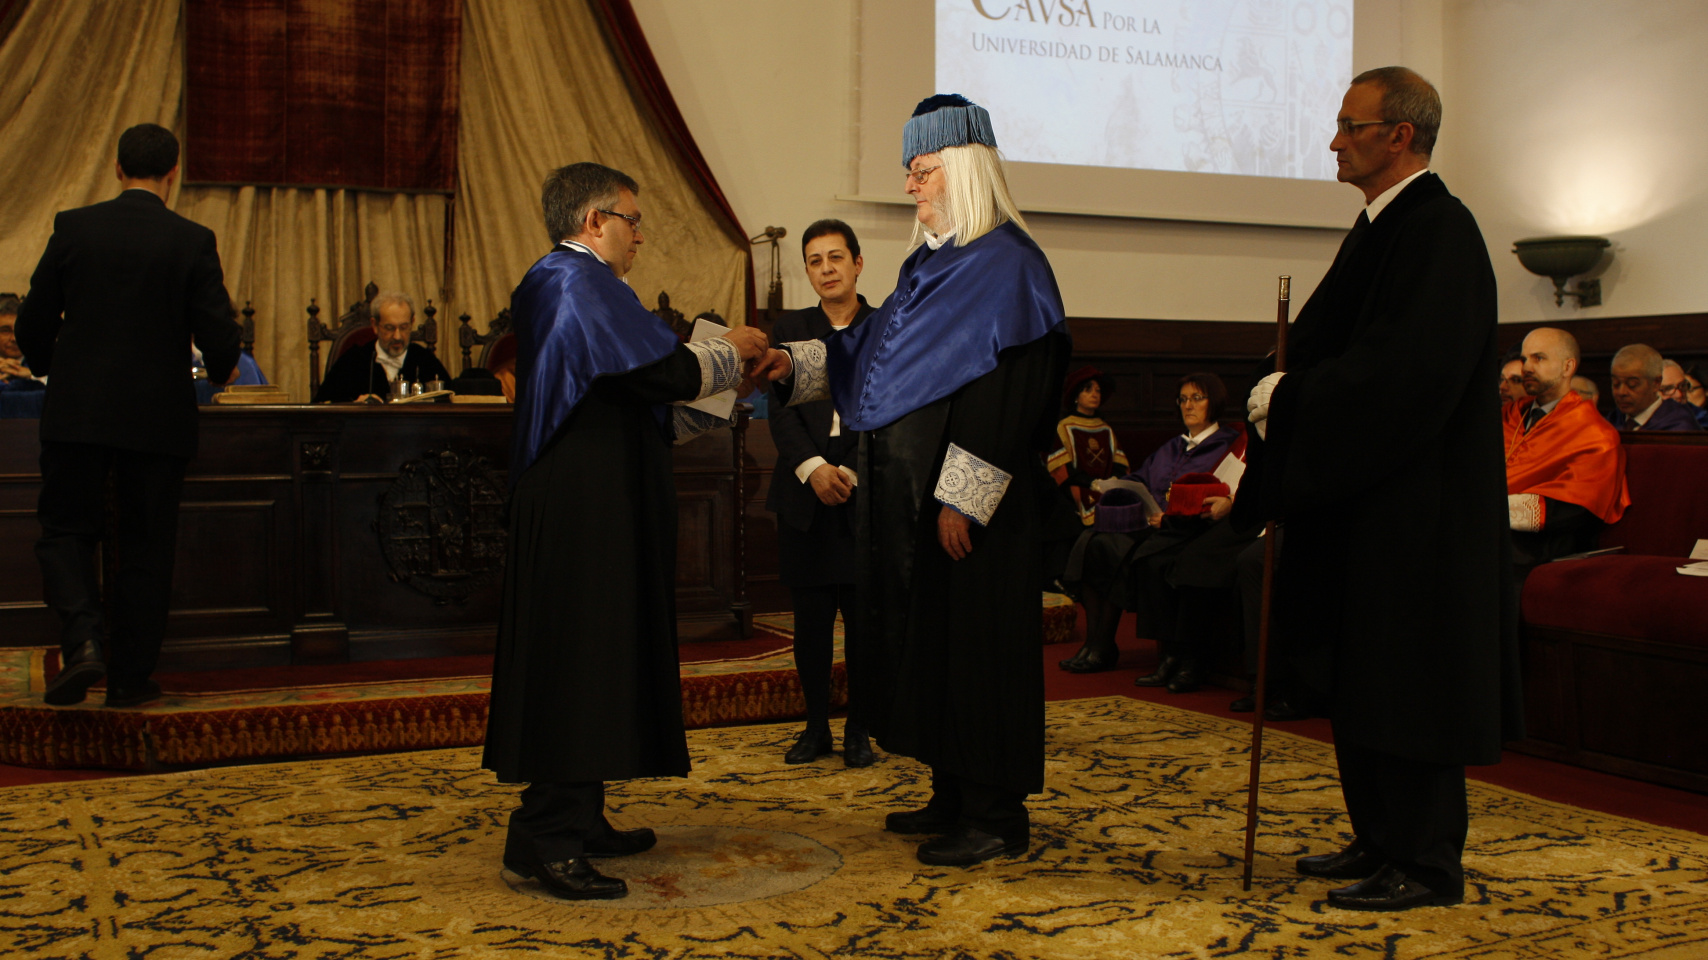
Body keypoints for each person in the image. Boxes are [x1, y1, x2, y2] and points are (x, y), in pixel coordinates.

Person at [756, 94, 1070, 867]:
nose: (910, 188)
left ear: (961, 170)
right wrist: (788, 365)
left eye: (922, 172)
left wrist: (964, 496)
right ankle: (952, 793)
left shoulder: (1009, 266)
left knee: (981, 655)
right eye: (909, 172)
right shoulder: (931, 267)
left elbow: (1009, 401)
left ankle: (996, 815)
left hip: (973, 515)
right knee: (937, 651)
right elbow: (870, 356)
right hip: (914, 509)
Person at [1243, 67, 1520, 912]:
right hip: (1367, 510)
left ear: (1399, 135)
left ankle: (1426, 861)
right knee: (1365, 679)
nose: (1333, 141)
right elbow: (1335, 347)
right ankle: (1379, 837)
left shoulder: (1440, 231)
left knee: (1412, 687)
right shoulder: (1380, 227)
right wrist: (1279, 379)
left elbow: (1405, 376)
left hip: (1419, 518)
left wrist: (1294, 397)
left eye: (1349, 125)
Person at [481, 162, 768, 902]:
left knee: (597, 656)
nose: (640, 233)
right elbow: (660, 374)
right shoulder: (571, 280)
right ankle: (547, 838)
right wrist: (733, 350)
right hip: (580, 506)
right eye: (631, 220)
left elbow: (629, 383)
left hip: (595, 498)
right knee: (577, 660)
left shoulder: (585, 286)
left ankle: (578, 817)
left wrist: (719, 370)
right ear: (592, 222)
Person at [15, 123, 241, 708]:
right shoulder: (192, 239)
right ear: (174, 174)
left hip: (78, 412)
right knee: (146, 546)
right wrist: (220, 371)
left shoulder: (74, 227)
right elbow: (219, 333)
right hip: (156, 420)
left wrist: (50, 367)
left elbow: (32, 323)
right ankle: (130, 678)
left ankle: (83, 640)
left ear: (117, 169)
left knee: (66, 530)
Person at [765, 218, 876, 768]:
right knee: (809, 624)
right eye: (815, 260)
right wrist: (812, 467)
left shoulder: (886, 327)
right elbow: (779, 412)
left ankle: (859, 729)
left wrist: (849, 471)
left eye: (836, 257)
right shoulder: (792, 328)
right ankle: (814, 728)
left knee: (863, 626)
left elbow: (893, 411)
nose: (827, 268)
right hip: (804, 496)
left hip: (864, 495)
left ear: (857, 263)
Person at [1056, 373, 1246, 680]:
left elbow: (1216, 494)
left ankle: (1109, 647)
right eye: (1183, 399)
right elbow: (1140, 479)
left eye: (1197, 398)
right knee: (1092, 540)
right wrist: (1115, 486)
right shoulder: (1172, 446)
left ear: (1215, 402)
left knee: (1111, 546)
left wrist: (1170, 514)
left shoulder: (1226, 445)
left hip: (1183, 529)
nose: (1188, 405)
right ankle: (1097, 643)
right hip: (1148, 522)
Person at [1503, 327, 1628, 578]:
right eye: (1525, 358)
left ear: (1567, 367)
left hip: (1546, 547)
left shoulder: (1595, 434)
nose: (1526, 367)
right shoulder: (1508, 417)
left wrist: (1489, 509)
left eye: (1539, 358)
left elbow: (1576, 510)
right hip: (1494, 532)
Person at [312, 291, 452, 403]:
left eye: (404, 327)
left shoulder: (425, 360)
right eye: (389, 328)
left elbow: (452, 402)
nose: (397, 336)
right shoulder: (353, 360)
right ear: (374, 325)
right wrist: (354, 405)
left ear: (412, 322)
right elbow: (322, 406)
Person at [1606, 343, 1700, 432]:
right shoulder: (1613, 419)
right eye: (1616, 384)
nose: (1621, 392)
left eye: (1632, 384)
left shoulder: (1679, 424)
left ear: (1656, 383)